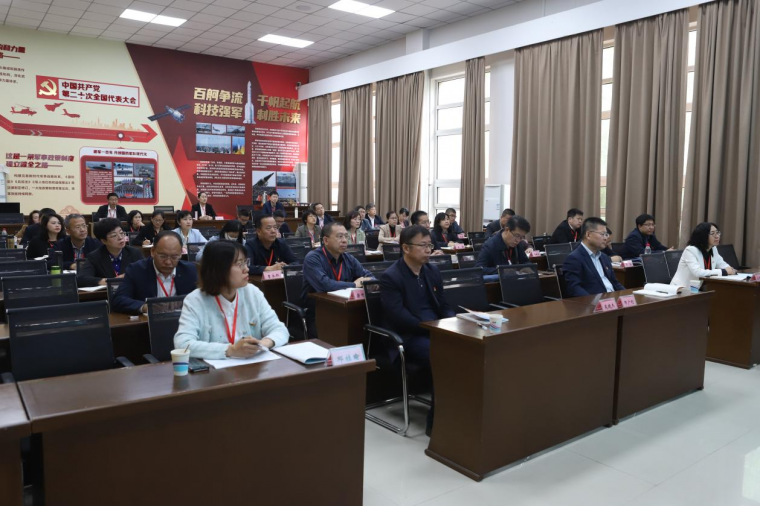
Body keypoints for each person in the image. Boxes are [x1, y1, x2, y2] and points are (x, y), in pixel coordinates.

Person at [379, 225, 455, 437]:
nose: (429, 250)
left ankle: (459, 413)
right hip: (409, 336)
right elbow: (398, 316)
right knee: (444, 356)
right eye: (423, 245)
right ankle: (436, 422)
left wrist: (453, 321)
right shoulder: (391, 276)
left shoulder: (432, 271)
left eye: (430, 245)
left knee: (467, 350)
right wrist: (430, 327)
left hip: (435, 329)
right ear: (406, 248)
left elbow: (443, 304)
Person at [174, 240, 289, 359]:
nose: (246, 269)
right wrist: (230, 350)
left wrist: (263, 344)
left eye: (245, 262)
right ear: (218, 269)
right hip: (215, 369)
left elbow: (279, 329)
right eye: (239, 264)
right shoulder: (195, 300)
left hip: (252, 366)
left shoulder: (252, 292)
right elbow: (182, 344)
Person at [301, 222, 374, 338]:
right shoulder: (313, 258)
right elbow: (325, 285)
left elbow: (369, 276)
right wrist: (354, 285)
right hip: (319, 311)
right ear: (326, 240)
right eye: (340, 236)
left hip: (346, 308)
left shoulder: (348, 258)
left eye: (346, 236)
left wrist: (371, 282)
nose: (344, 240)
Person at [111, 231, 198, 315]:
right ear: (152, 251)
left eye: (174, 257)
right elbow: (118, 300)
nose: (168, 262)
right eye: (163, 256)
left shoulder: (189, 270)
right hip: (148, 323)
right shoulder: (136, 270)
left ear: (181, 254)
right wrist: (145, 307)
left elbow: (200, 299)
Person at [562, 217, 625, 297]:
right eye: (602, 234)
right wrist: (593, 302)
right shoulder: (574, 258)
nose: (605, 238)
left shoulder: (604, 257)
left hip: (611, 299)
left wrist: (627, 295)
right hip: (594, 301)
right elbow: (574, 288)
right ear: (588, 235)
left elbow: (615, 282)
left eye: (606, 234)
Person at [77, 218, 143, 287]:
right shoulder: (94, 257)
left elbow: (146, 272)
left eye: (121, 233)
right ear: (104, 241)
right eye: (114, 235)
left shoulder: (134, 253)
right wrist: (109, 281)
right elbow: (81, 279)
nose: (120, 237)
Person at [671, 222, 737, 288]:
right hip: (681, 288)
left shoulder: (713, 249)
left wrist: (731, 270)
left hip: (698, 288)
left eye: (717, 233)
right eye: (713, 234)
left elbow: (721, 263)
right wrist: (723, 271)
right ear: (703, 236)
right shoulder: (690, 250)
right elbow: (697, 272)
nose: (717, 236)